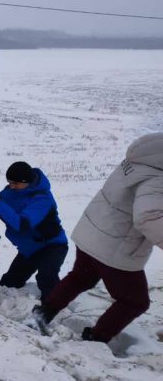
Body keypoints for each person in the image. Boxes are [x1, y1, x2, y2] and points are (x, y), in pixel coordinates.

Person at [32, 132, 163, 342]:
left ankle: (43, 313)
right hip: (115, 246)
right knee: (135, 301)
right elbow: (148, 216)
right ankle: (96, 339)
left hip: (93, 232)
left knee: (80, 277)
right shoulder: (158, 177)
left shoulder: (142, 159)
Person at [0, 161, 68, 306]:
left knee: (46, 277)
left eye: (15, 183)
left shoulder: (43, 199)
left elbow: (22, 224)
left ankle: (52, 309)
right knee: (9, 283)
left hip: (52, 246)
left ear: (26, 181)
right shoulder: (12, 190)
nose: (11, 186)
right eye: (9, 182)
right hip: (29, 249)